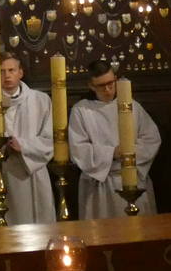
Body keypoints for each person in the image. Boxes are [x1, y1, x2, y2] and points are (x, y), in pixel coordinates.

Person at [69, 60, 161, 219]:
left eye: (111, 83)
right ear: (91, 86)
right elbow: (78, 149)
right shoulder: (81, 110)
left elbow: (151, 139)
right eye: (101, 85)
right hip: (100, 184)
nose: (107, 89)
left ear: (116, 79)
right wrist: (112, 153)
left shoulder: (132, 106)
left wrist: (129, 153)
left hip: (132, 177)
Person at [0, 52, 56, 224]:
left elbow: (50, 139)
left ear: (20, 72)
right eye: (2, 71)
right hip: (5, 171)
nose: (7, 75)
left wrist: (24, 146)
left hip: (35, 170)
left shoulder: (41, 100)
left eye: (11, 70)